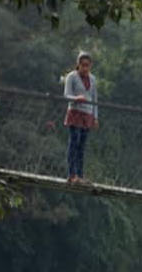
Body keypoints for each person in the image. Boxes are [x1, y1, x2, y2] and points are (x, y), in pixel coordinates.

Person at [61, 52, 97, 184]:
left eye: (87, 66)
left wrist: (95, 117)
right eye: (83, 65)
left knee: (82, 146)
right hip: (75, 112)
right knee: (74, 143)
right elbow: (66, 95)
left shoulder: (93, 79)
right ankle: (72, 175)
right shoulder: (72, 77)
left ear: (90, 66)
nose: (85, 68)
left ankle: (80, 176)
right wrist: (76, 98)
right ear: (78, 65)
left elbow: (94, 99)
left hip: (87, 115)